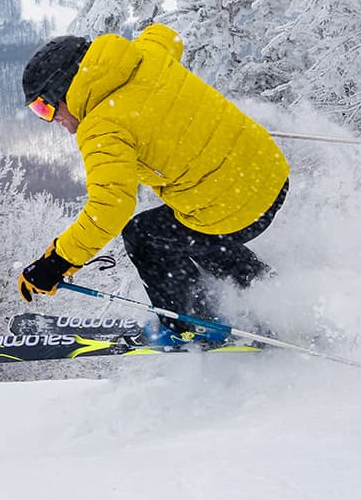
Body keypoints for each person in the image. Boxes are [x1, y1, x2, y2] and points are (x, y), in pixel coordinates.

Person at [15, 26, 290, 343]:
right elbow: (167, 35)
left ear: (63, 90)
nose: (52, 120)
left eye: (44, 108)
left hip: (234, 207)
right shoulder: (147, 55)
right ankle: (263, 288)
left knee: (144, 236)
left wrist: (58, 261)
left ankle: (190, 324)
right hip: (270, 172)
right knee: (187, 229)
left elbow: (109, 208)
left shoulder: (101, 127)